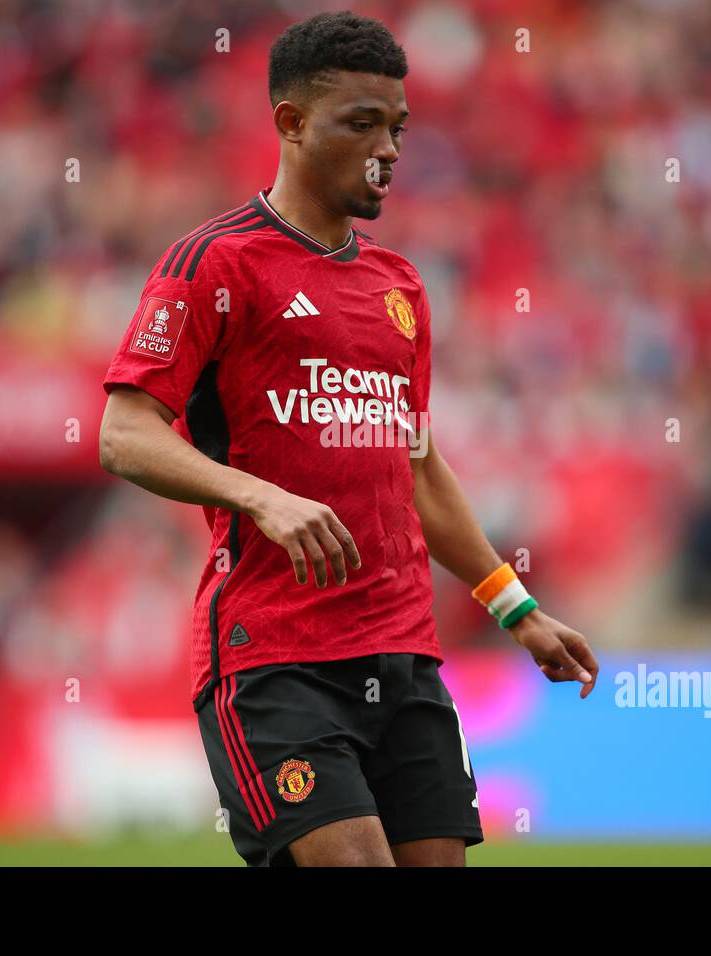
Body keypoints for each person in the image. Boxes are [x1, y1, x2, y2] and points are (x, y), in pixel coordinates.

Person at [98, 10, 598, 867]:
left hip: (405, 655)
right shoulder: (214, 264)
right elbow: (123, 432)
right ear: (290, 123)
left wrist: (515, 609)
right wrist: (258, 494)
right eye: (362, 123)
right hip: (277, 661)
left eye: (398, 127)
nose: (389, 149)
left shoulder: (400, 286)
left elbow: (421, 470)